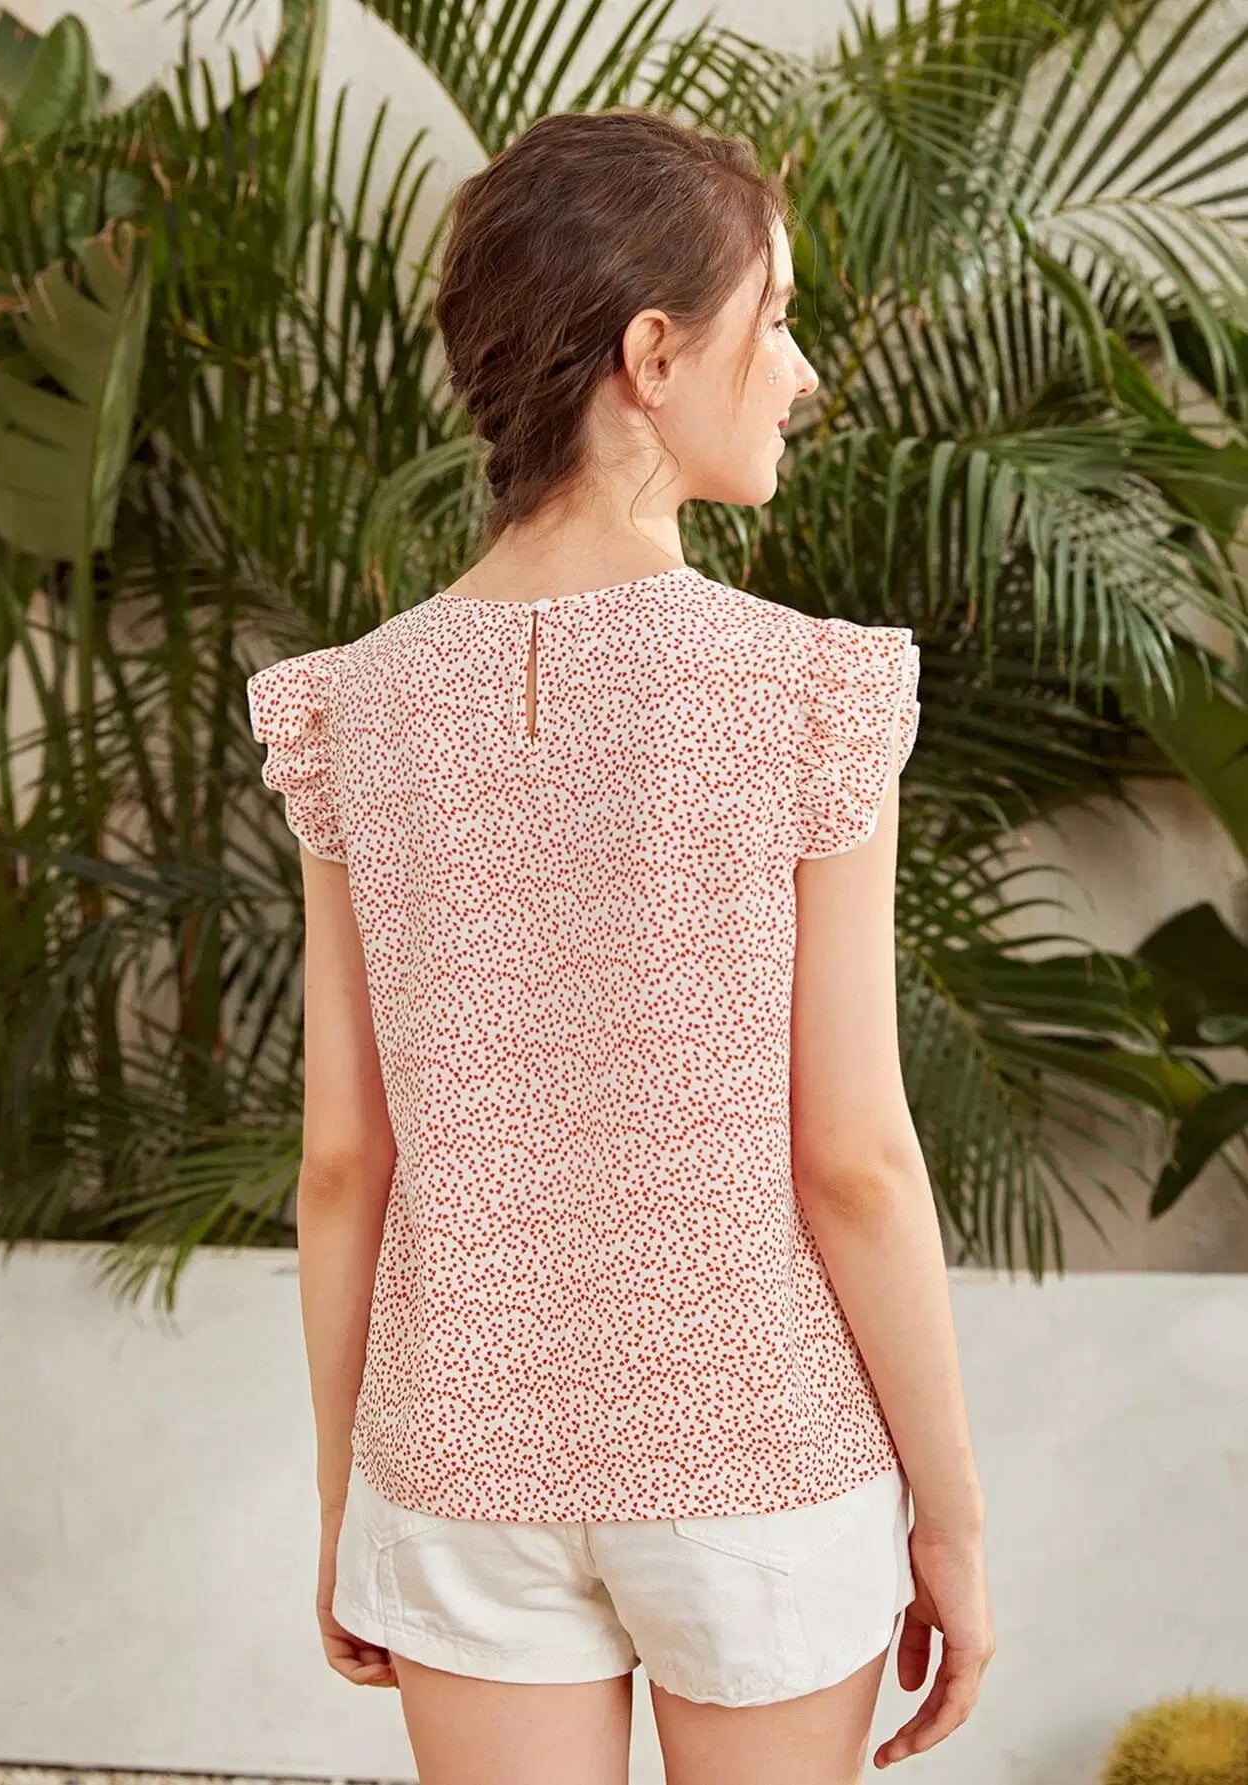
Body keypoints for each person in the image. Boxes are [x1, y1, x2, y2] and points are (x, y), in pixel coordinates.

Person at [246, 107, 993, 1785]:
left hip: (459, 1466)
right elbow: (856, 1159)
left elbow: (345, 1157)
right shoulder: (804, 691)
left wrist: (348, 1497)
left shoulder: (356, 707)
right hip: (755, 1460)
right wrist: (951, 1517)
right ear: (654, 355)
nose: (800, 373)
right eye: (774, 319)